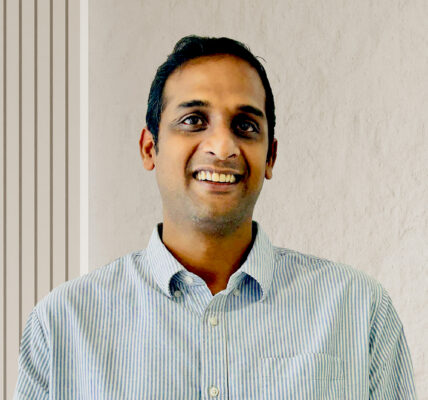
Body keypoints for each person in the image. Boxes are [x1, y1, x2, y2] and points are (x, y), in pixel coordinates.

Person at [14, 35, 417, 399]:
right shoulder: (63, 324)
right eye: (193, 121)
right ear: (150, 148)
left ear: (271, 156)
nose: (223, 147)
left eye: (245, 125)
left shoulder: (359, 310)